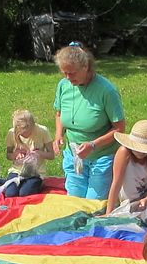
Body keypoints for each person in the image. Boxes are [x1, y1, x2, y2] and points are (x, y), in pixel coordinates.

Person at [52, 41, 126, 199]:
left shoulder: (107, 91)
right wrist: (59, 134)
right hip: (74, 156)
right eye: (64, 73)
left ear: (85, 67)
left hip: (101, 157)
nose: (67, 77)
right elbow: (58, 113)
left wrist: (93, 145)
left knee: (93, 207)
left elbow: (119, 128)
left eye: (71, 73)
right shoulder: (63, 85)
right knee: (74, 203)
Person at [2, 109, 54, 197]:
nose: (24, 136)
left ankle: (39, 184)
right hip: (17, 170)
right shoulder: (11, 133)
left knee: (24, 193)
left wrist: (39, 153)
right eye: (21, 134)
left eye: (27, 133)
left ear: (33, 126)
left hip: (36, 172)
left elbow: (51, 155)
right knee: (10, 193)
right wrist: (15, 155)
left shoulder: (42, 131)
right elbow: (8, 155)